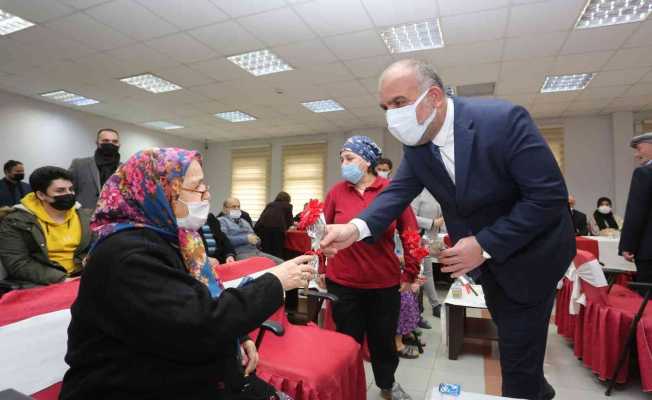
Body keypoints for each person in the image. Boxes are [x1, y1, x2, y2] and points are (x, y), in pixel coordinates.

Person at [321, 59, 574, 400]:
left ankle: (530, 390)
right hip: (490, 266)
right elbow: (395, 194)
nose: (392, 115)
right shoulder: (417, 147)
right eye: (385, 107)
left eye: (399, 103)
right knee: (517, 346)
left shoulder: (503, 122)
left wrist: (484, 244)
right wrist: (354, 228)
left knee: (517, 363)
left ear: (435, 97)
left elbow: (548, 198)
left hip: (533, 257)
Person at [60, 147, 314, 400]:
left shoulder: (181, 239)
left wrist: (238, 335)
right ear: (160, 192)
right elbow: (200, 323)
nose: (206, 195)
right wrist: (276, 282)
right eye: (197, 187)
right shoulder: (128, 256)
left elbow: (196, 303)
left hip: (186, 373)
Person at [319, 135, 419, 400]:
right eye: (341, 159)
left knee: (383, 340)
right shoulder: (336, 192)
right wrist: (319, 268)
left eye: (349, 158)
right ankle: (348, 390)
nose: (344, 164)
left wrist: (411, 271)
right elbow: (320, 233)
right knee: (346, 342)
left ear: (368, 161)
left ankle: (387, 384)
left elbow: (411, 234)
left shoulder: (391, 191)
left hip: (383, 283)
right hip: (343, 282)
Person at [0, 166, 91, 285]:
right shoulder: (15, 222)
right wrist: (61, 279)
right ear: (41, 195)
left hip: (81, 276)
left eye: (71, 189)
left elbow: (94, 248)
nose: (69, 194)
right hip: (41, 283)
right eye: (60, 190)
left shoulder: (83, 216)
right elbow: (18, 262)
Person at [619, 132, 652, 284]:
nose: (636, 155)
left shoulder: (644, 173)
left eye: (639, 149)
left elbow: (637, 213)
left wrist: (628, 245)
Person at [411, 189, 445, 318]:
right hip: (414, 239)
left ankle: (434, 305)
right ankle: (418, 312)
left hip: (428, 240)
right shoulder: (418, 192)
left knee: (427, 273)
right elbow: (410, 216)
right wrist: (432, 223)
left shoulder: (437, 192)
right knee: (415, 276)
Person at [219, 197, 283, 264]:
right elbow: (224, 241)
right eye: (233, 207)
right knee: (263, 266)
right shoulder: (221, 221)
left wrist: (257, 240)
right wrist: (246, 239)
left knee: (281, 263)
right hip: (240, 253)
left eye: (238, 206)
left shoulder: (244, 221)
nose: (237, 209)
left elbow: (256, 238)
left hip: (256, 251)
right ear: (225, 209)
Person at [69, 128, 121, 208]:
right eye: (105, 141)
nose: (110, 144)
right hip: (84, 216)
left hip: (114, 215)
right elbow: (68, 191)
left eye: (115, 141)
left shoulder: (124, 168)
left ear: (119, 145)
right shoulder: (79, 164)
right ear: (97, 143)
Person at [255, 191, 294, 258]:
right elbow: (290, 222)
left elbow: (262, 217)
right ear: (288, 199)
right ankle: (277, 266)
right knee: (277, 251)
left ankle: (266, 265)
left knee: (265, 250)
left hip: (262, 229)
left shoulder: (270, 204)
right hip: (277, 230)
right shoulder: (288, 206)